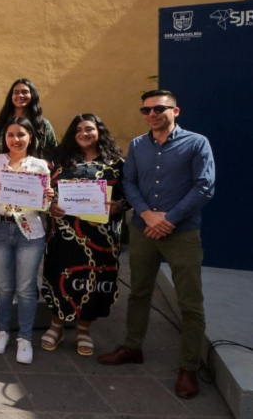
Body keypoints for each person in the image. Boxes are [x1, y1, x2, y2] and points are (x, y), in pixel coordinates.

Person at [98, 90, 215, 400]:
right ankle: (132, 347)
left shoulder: (197, 143)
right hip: (144, 231)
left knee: (189, 302)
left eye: (159, 108)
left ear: (176, 110)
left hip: (182, 233)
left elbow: (204, 187)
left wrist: (169, 219)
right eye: (146, 109)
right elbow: (130, 183)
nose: (151, 114)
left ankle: (188, 367)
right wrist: (148, 215)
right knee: (139, 292)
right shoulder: (138, 145)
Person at [40, 114, 127, 357]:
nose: (83, 133)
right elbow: (43, 191)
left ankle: (83, 329)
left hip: (101, 237)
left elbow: (130, 194)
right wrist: (51, 205)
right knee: (59, 275)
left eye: (89, 129)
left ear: (99, 131)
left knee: (93, 281)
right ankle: (56, 325)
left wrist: (118, 205)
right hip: (64, 234)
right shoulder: (58, 160)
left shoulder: (116, 163)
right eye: (78, 129)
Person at [0, 117, 54, 365]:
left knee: (25, 288)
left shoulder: (40, 165)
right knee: (3, 286)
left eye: (21, 134)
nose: (16, 139)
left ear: (31, 137)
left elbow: (44, 206)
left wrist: (48, 196)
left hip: (30, 231)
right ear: (4, 138)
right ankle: (2, 331)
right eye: (10, 135)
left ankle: (24, 338)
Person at [0, 79, 57, 160]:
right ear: (11, 96)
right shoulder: (0, 123)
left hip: (34, 170)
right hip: (3, 170)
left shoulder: (43, 124)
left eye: (25, 92)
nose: (20, 95)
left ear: (32, 95)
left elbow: (54, 151)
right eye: (16, 92)